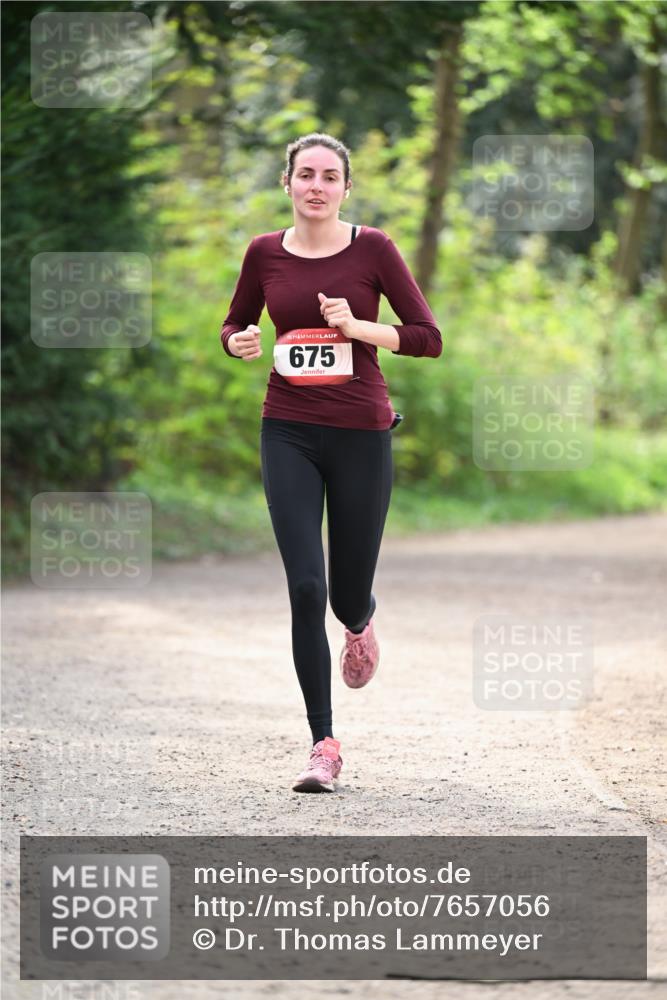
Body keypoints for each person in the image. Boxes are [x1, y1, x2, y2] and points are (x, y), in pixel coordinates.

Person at [220, 132, 442, 793]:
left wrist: (359, 329)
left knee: (343, 593)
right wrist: (239, 341)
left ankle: (360, 619)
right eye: (304, 174)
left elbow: (428, 338)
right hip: (285, 431)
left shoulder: (372, 249)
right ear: (285, 184)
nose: (315, 185)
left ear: (345, 188)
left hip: (359, 433)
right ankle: (322, 743)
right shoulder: (263, 253)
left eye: (328, 176)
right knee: (304, 589)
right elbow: (233, 325)